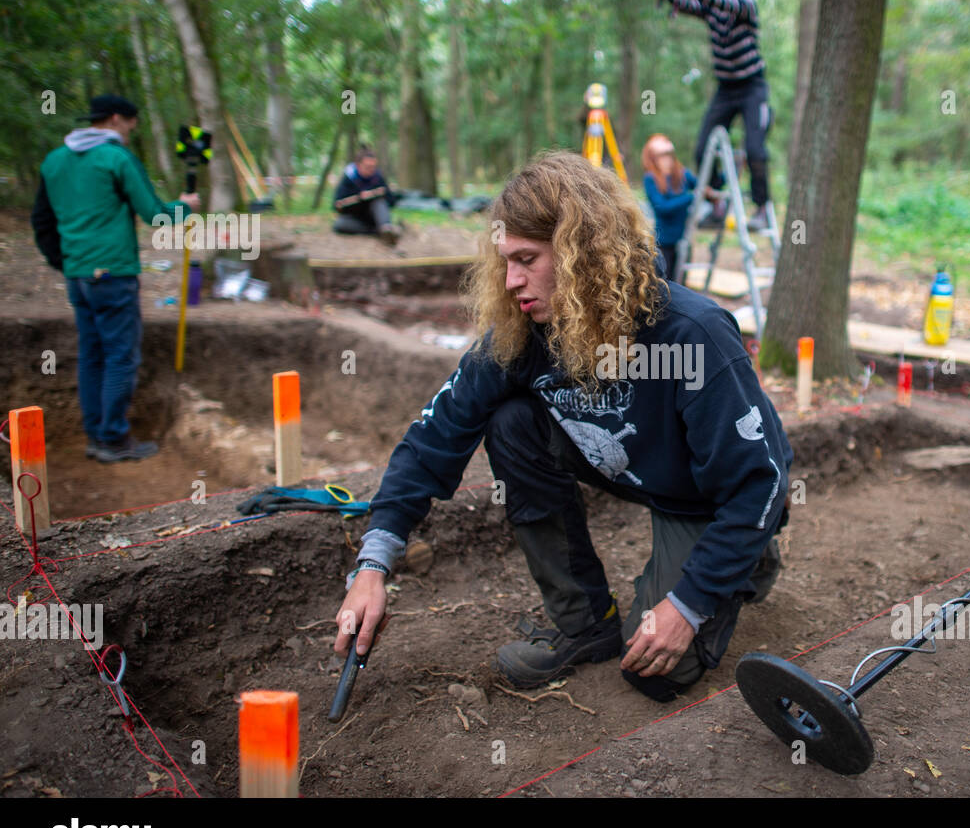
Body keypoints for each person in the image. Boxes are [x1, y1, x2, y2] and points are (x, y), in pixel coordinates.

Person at [333, 152, 791, 702]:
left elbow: (758, 483)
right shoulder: (525, 331)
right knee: (509, 423)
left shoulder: (692, 335)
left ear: (582, 255)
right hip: (631, 465)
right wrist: (373, 564)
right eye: (505, 261)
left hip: (709, 498)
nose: (510, 281)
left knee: (654, 670)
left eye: (527, 259)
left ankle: (746, 557)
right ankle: (584, 620)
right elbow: (435, 436)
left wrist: (689, 603)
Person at [31, 94, 198, 463]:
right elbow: (156, 216)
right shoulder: (116, 158)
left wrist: (65, 262)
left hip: (78, 275)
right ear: (116, 119)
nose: (130, 133)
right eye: (130, 126)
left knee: (93, 354)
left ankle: (97, 434)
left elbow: (41, 221)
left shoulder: (55, 160)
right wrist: (185, 205)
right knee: (120, 356)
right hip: (113, 273)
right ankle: (112, 438)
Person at [655, 0, 772, 230]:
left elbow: (715, 0)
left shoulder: (746, 4)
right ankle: (718, 202)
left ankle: (762, 206)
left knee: (756, 150)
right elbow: (687, 3)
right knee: (702, 148)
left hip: (752, 86)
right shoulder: (711, 8)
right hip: (725, 89)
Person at [642, 134, 700, 282]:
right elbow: (662, 207)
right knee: (665, 283)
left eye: (668, 154)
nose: (665, 159)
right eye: (660, 155)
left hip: (684, 238)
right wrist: (690, 197)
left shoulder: (682, 174)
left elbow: (703, 185)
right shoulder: (651, 178)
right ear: (653, 158)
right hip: (664, 242)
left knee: (682, 281)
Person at [332, 148, 401, 245]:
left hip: (376, 217)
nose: (372, 170)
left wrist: (380, 193)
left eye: (373, 167)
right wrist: (358, 197)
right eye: (368, 167)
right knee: (339, 224)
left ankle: (386, 228)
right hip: (356, 218)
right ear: (358, 165)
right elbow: (337, 204)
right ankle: (381, 232)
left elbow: (392, 202)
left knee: (379, 202)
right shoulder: (348, 179)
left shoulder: (378, 177)